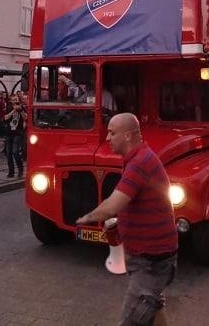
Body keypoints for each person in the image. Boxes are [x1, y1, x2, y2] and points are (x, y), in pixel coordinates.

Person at [77, 113, 177, 326]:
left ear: (128, 135)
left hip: (151, 261)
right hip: (151, 256)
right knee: (153, 308)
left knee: (130, 321)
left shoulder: (140, 163)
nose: (107, 138)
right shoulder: (139, 159)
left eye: (112, 133)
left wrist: (86, 218)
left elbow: (112, 205)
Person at [3, 99, 26, 178]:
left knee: (15, 152)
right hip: (9, 133)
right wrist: (13, 110)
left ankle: (20, 169)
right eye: (13, 100)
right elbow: (5, 118)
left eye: (16, 100)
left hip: (17, 133)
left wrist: (21, 110)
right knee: (8, 153)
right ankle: (11, 172)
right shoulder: (8, 108)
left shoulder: (21, 108)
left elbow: (26, 117)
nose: (14, 101)